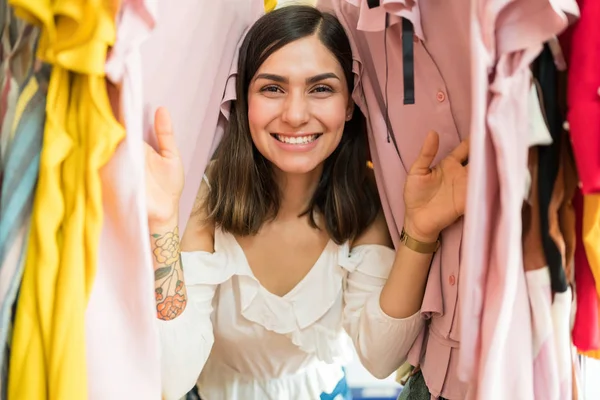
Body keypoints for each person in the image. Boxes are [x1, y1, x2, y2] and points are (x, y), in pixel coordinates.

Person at [145, 5, 469, 400]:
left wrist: (419, 233)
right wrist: (162, 223)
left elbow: (379, 358)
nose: (295, 114)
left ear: (349, 104)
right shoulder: (206, 199)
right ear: (244, 102)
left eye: (321, 89)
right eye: (272, 88)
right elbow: (171, 378)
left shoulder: (365, 202)